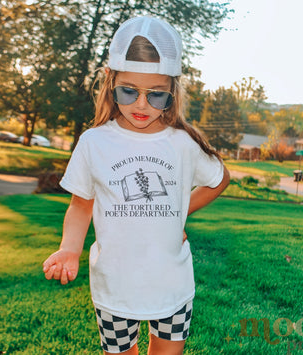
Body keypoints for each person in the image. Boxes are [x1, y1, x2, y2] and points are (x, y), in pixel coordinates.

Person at [43, 16, 230, 355]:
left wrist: (178, 213)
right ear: (109, 83)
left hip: (172, 285)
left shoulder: (182, 143)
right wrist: (69, 248)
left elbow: (220, 179)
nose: (141, 105)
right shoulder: (94, 142)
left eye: (156, 95)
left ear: (172, 92)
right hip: (115, 287)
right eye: (128, 91)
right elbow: (81, 205)